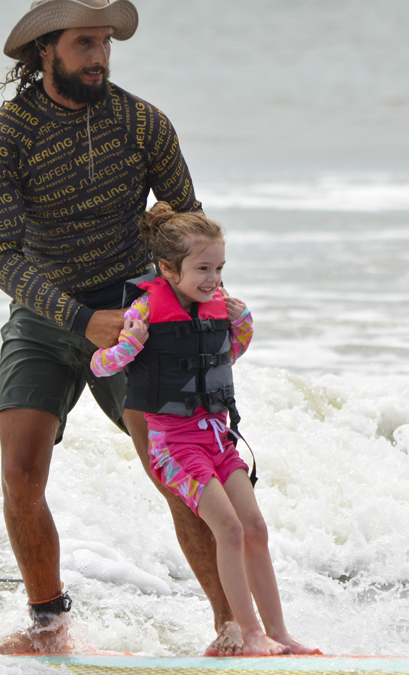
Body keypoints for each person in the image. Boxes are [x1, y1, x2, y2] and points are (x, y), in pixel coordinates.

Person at [0, 0, 240, 654]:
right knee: (20, 471)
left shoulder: (142, 123)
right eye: (84, 43)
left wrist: (212, 301)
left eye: (105, 43)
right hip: (44, 314)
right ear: (44, 51)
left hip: (138, 311)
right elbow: (2, 256)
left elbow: (187, 224)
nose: (99, 56)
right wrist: (80, 318)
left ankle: (231, 627)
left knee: (176, 466)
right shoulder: (2, 136)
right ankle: (48, 626)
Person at [90, 203, 319, 656]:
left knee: (255, 528)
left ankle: (279, 632)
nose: (214, 279)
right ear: (168, 269)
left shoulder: (214, 306)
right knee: (229, 530)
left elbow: (224, 357)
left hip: (218, 438)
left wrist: (243, 324)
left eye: (219, 268)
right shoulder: (144, 309)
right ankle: (249, 633)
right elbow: (100, 366)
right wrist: (129, 343)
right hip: (174, 447)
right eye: (203, 269)